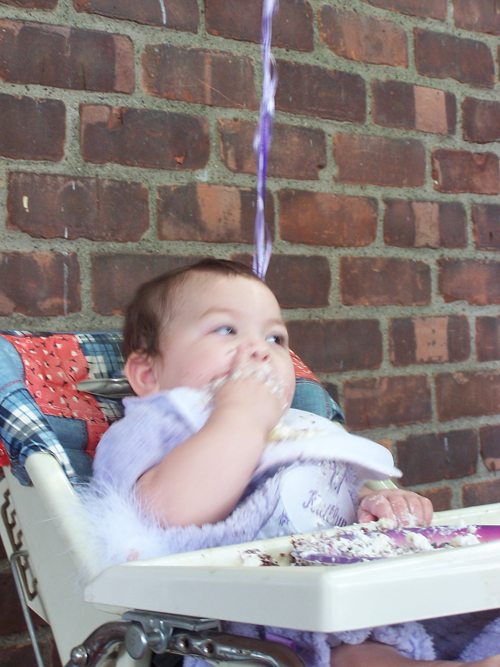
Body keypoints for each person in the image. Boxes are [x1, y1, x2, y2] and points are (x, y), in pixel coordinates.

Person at [90, 259, 500, 667]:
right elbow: (162, 514)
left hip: (345, 601)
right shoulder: (156, 422)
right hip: (237, 624)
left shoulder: (298, 427)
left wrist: (376, 509)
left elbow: (320, 499)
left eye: (275, 338)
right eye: (226, 330)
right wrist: (241, 417)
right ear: (147, 374)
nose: (259, 350)